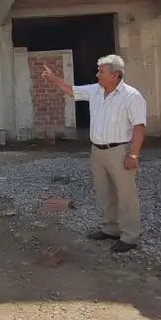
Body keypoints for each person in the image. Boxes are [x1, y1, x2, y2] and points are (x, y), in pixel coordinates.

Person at [41, 54, 146, 253]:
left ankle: (129, 236)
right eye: (98, 71)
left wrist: (133, 155)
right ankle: (110, 229)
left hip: (119, 151)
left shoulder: (132, 96)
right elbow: (71, 90)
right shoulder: (95, 90)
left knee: (126, 194)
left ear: (115, 75)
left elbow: (139, 128)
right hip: (97, 151)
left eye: (101, 71)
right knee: (104, 192)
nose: (97, 74)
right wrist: (53, 79)